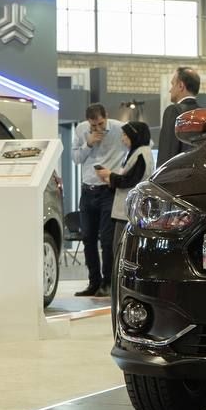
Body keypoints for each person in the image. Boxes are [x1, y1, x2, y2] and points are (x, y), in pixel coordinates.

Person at [70, 103, 125, 297]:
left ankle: (107, 283)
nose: (98, 128)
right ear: (88, 122)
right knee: (88, 238)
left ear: (106, 116)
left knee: (108, 240)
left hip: (109, 191)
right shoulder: (81, 129)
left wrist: (120, 172)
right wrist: (88, 143)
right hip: (88, 190)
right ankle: (93, 282)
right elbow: (76, 158)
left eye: (101, 124)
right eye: (93, 125)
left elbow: (144, 145)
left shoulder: (119, 128)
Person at [98, 121, 154, 265]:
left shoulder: (141, 154)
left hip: (129, 211)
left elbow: (130, 180)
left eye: (125, 135)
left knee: (121, 251)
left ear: (134, 136)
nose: (122, 139)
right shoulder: (137, 153)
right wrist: (111, 179)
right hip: (127, 210)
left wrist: (110, 175)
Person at [157, 67, 201, 165]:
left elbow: (167, 152)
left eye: (173, 84)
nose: (170, 90)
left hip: (177, 172)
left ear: (181, 86)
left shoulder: (173, 111)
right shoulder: (203, 115)